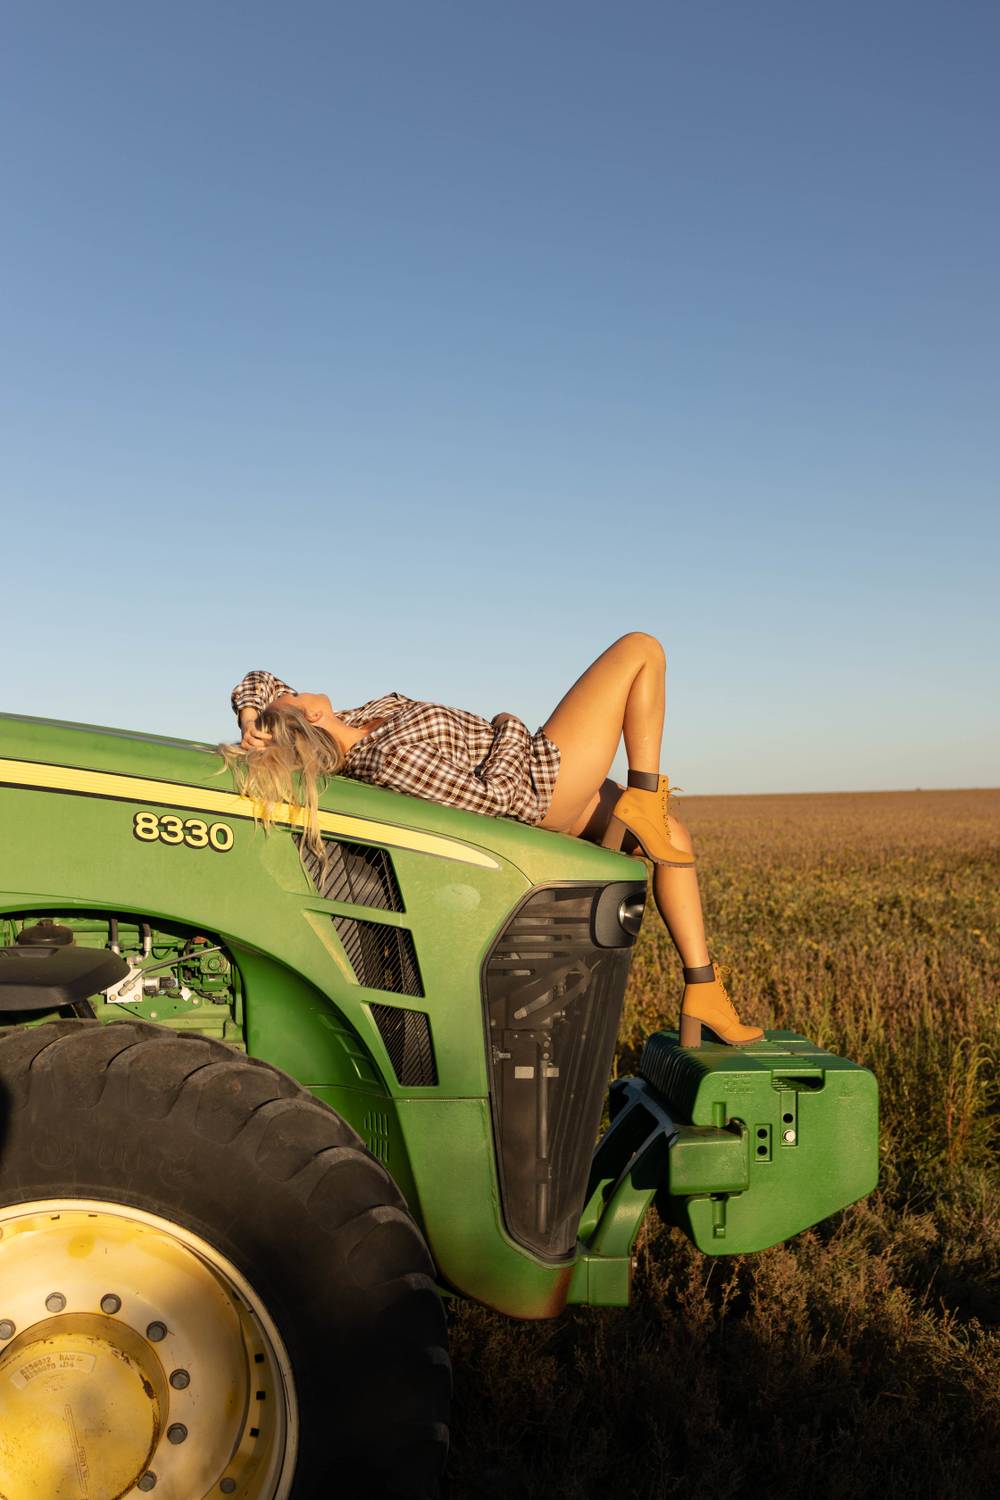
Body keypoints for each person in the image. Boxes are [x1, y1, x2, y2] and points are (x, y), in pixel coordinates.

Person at [222, 633, 762, 1047]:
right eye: (294, 696)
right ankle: (645, 794)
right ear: (312, 714)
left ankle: (702, 990)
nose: (294, 688)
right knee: (640, 650)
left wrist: (251, 715)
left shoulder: (361, 717)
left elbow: (259, 681)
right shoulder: (387, 756)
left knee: (672, 839)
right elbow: (495, 801)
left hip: (545, 779)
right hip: (543, 781)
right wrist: (509, 728)